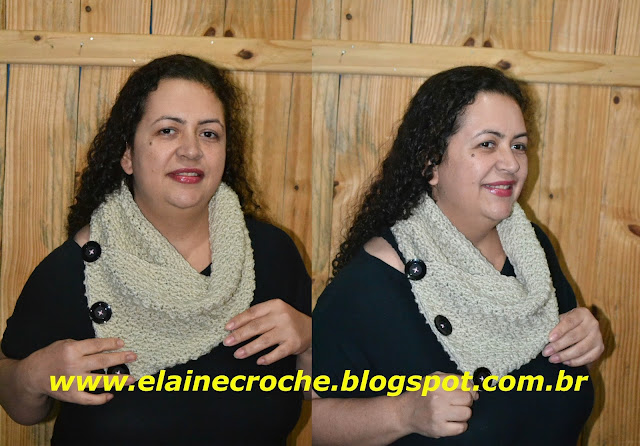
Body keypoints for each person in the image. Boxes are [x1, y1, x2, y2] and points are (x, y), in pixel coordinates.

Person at [0, 54, 311, 445]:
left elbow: (317, 389)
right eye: (168, 130)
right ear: (128, 155)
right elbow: (20, 408)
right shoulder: (72, 271)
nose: (191, 150)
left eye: (209, 134)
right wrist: (31, 376)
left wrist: (310, 339)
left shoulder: (274, 255)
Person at [312, 66, 604, 445]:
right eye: (488, 144)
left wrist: (584, 341)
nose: (511, 163)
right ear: (431, 163)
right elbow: (314, 421)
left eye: (518, 145)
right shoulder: (369, 286)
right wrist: (402, 413)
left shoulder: (532, 250)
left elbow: (557, 390)